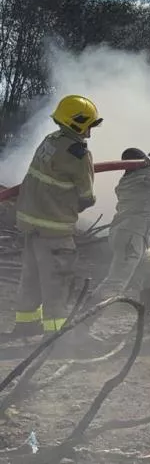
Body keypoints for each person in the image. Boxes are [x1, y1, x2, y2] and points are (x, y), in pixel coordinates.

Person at [10, 95, 101, 337]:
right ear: (77, 122)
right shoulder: (79, 154)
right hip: (54, 230)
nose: (90, 132)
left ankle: (26, 324)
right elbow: (87, 196)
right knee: (57, 282)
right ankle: (57, 335)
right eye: (89, 125)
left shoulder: (49, 141)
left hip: (30, 225)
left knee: (31, 277)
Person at [99, 148, 150, 333]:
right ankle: (81, 327)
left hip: (126, 235)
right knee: (114, 283)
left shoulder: (125, 180)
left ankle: (146, 321)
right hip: (132, 237)